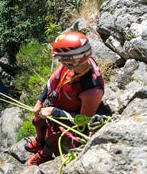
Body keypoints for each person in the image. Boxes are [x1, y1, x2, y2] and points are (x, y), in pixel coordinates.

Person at [24, 31, 104, 166]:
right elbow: (52, 81)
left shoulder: (92, 90)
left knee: (52, 135)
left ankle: (45, 155)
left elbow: (83, 121)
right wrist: (40, 101)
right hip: (55, 105)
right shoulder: (75, 64)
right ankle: (39, 140)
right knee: (37, 120)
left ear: (73, 59)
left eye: (62, 58)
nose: (60, 61)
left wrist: (54, 112)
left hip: (65, 116)